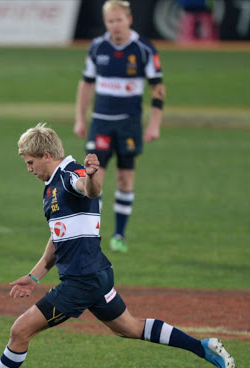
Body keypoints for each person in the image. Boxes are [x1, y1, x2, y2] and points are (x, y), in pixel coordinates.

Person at [0, 124, 236, 368]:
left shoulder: (71, 174)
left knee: (20, 331)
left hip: (81, 281)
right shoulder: (51, 187)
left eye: (30, 162)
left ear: (46, 155)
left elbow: (89, 189)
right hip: (97, 275)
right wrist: (35, 275)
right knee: (130, 327)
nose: (29, 169)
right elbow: (57, 237)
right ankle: (204, 347)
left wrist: (94, 175)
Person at [74, 0, 165, 253]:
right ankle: (93, 237)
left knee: (125, 180)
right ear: (106, 23)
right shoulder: (96, 47)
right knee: (94, 180)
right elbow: (86, 84)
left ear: (129, 19)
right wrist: (80, 118)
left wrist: (154, 123)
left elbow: (157, 87)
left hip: (129, 126)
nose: (115, 25)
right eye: (110, 21)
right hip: (100, 124)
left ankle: (119, 236)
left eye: (119, 20)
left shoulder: (143, 49)